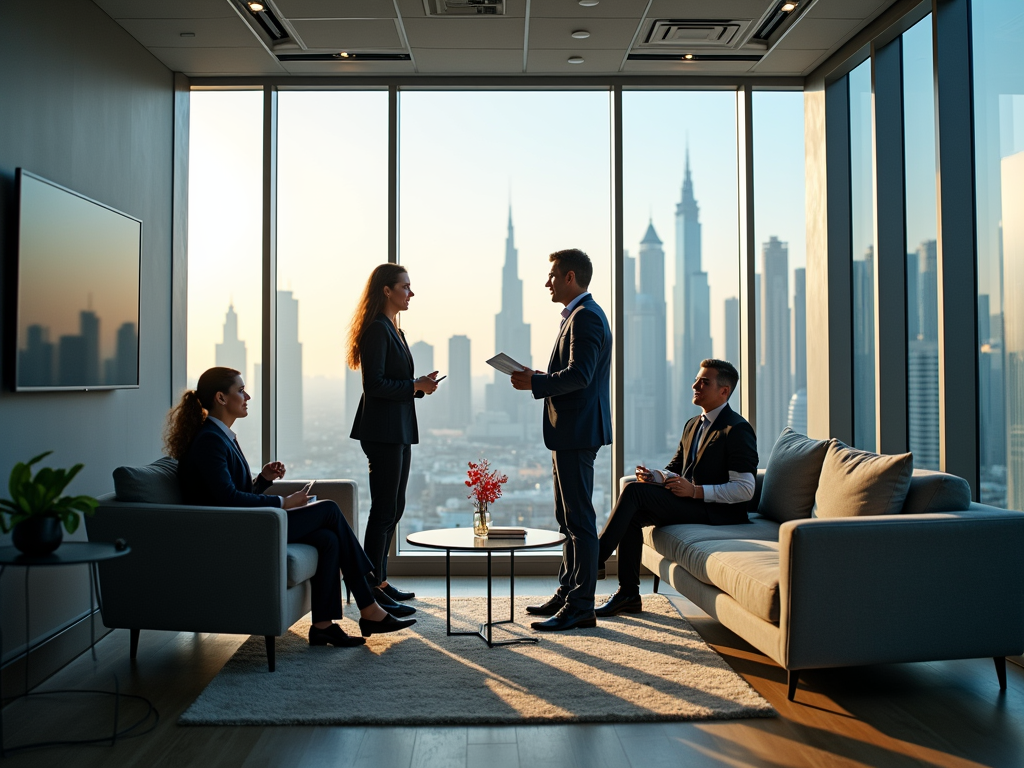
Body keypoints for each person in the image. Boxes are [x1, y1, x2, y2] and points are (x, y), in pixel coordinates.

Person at [167, 366, 415, 645]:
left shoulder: (218, 436)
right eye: (240, 390)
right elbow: (228, 500)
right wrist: (284, 502)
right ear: (221, 398)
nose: (247, 396)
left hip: (242, 524)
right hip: (233, 533)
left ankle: (323, 625)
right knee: (329, 510)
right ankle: (369, 604)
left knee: (328, 538)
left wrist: (262, 479)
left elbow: (230, 494)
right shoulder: (210, 441)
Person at [594, 358, 758, 617]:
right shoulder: (693, 424)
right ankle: (628, 595)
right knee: (634, 508)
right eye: (696, 379)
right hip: (690, 502)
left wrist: (695, 491)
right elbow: (677, 467)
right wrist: (656, 476)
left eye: (704, 382)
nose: (695, 385)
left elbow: (745, 489)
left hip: (717, 512)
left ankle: (594, 560)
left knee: (633, 493)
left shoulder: (737, 429)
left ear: (724, 391)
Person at [511, 248, 612, 632]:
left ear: (571, 277)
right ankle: (568, 590)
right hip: (571, 430)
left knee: (579, 519)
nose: (547, 282)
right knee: (566, 517)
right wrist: (539, 376)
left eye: (553, 275)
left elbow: (580, 376)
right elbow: (574, 374)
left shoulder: (585, 318)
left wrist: (535, 382)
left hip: (576, 431)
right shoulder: (581, 316)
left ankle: (581, 605)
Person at [348, 264, 439, 618]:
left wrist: (418, 385)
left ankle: (380, 581)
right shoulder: (377, 330)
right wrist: (414, 386)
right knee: (384, 509)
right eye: (405, 286)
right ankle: (370, 587)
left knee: (394, 508)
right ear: (387, 290)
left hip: (397, 427)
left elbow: (393, 384)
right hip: (383, 431)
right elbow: (374, 386)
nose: (410, 293)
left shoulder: (393, 330)